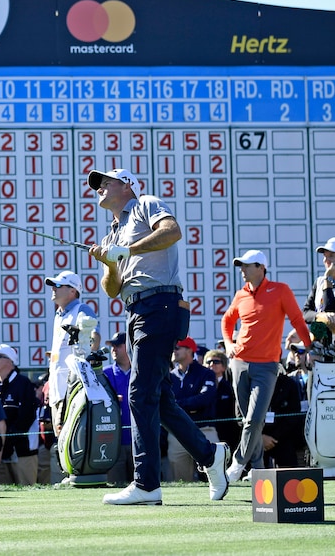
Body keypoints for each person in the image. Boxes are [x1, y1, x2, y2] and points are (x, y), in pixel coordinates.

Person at [86, 168, 229, 505]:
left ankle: (147, 484)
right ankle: (210, 455)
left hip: (161, 304)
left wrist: (129, 250)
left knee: (138, 393)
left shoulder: (146, 204)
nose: (99, 189)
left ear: (127, 186)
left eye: (106, 183)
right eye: (98, 186)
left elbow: (172, 232)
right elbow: (113, 289)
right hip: (134, 310)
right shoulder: (111, 234)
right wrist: (109, 263)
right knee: (157, 397)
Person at [221, 249, 313, 482]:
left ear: (261, 267)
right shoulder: (241, 294)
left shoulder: (280, 290)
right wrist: (228, 343)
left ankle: (238, 462)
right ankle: (258, 469)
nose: (242, 270)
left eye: (247, 266)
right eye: (241, 266)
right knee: (247, 420)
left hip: (267, 366)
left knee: (253, 419)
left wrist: (309, 345)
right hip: (239, 363)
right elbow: (227, 320)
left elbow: (297, 320)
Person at [45, 270, 101, 430]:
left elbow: (94, 337)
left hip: (73, 387)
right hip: (58, 388)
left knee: (71, 438)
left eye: (57, 285)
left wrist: (87, 358)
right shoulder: (59, 315)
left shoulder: (82, 309)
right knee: (60, 441)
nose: (53, 289)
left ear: (72, 290)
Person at [166, 336, 218, 482]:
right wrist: (188, 405)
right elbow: (167, 403)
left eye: (177, 348)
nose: (173, 351)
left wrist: (178, 404)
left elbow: (205, 398)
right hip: (178, 433)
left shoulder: (206, 373)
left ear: (189, 350)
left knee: (215, 474)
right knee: (181, 481)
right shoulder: (170, 376)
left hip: (204, 429)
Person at [0, 344, 38, 485]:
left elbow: (27, 417)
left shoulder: (24, 384)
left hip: (23, 452)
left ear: (10, 361)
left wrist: (9, 440)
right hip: (0, 453)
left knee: (27, 492)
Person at [102, 332, 133, 485]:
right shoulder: (105, 373)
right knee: (116, 486)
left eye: (118, 345)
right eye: (112, 346)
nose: (113, 349)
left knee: (143, 486)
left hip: (138, 441)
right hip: (113, 443)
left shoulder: (141, 371)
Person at [204, 349, 241, 454]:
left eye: (216, 362)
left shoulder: (230, 387)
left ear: (224, 367)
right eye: (208, 362)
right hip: (206, 429)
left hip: (227, 434)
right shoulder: (200, 386)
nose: (212, 364)